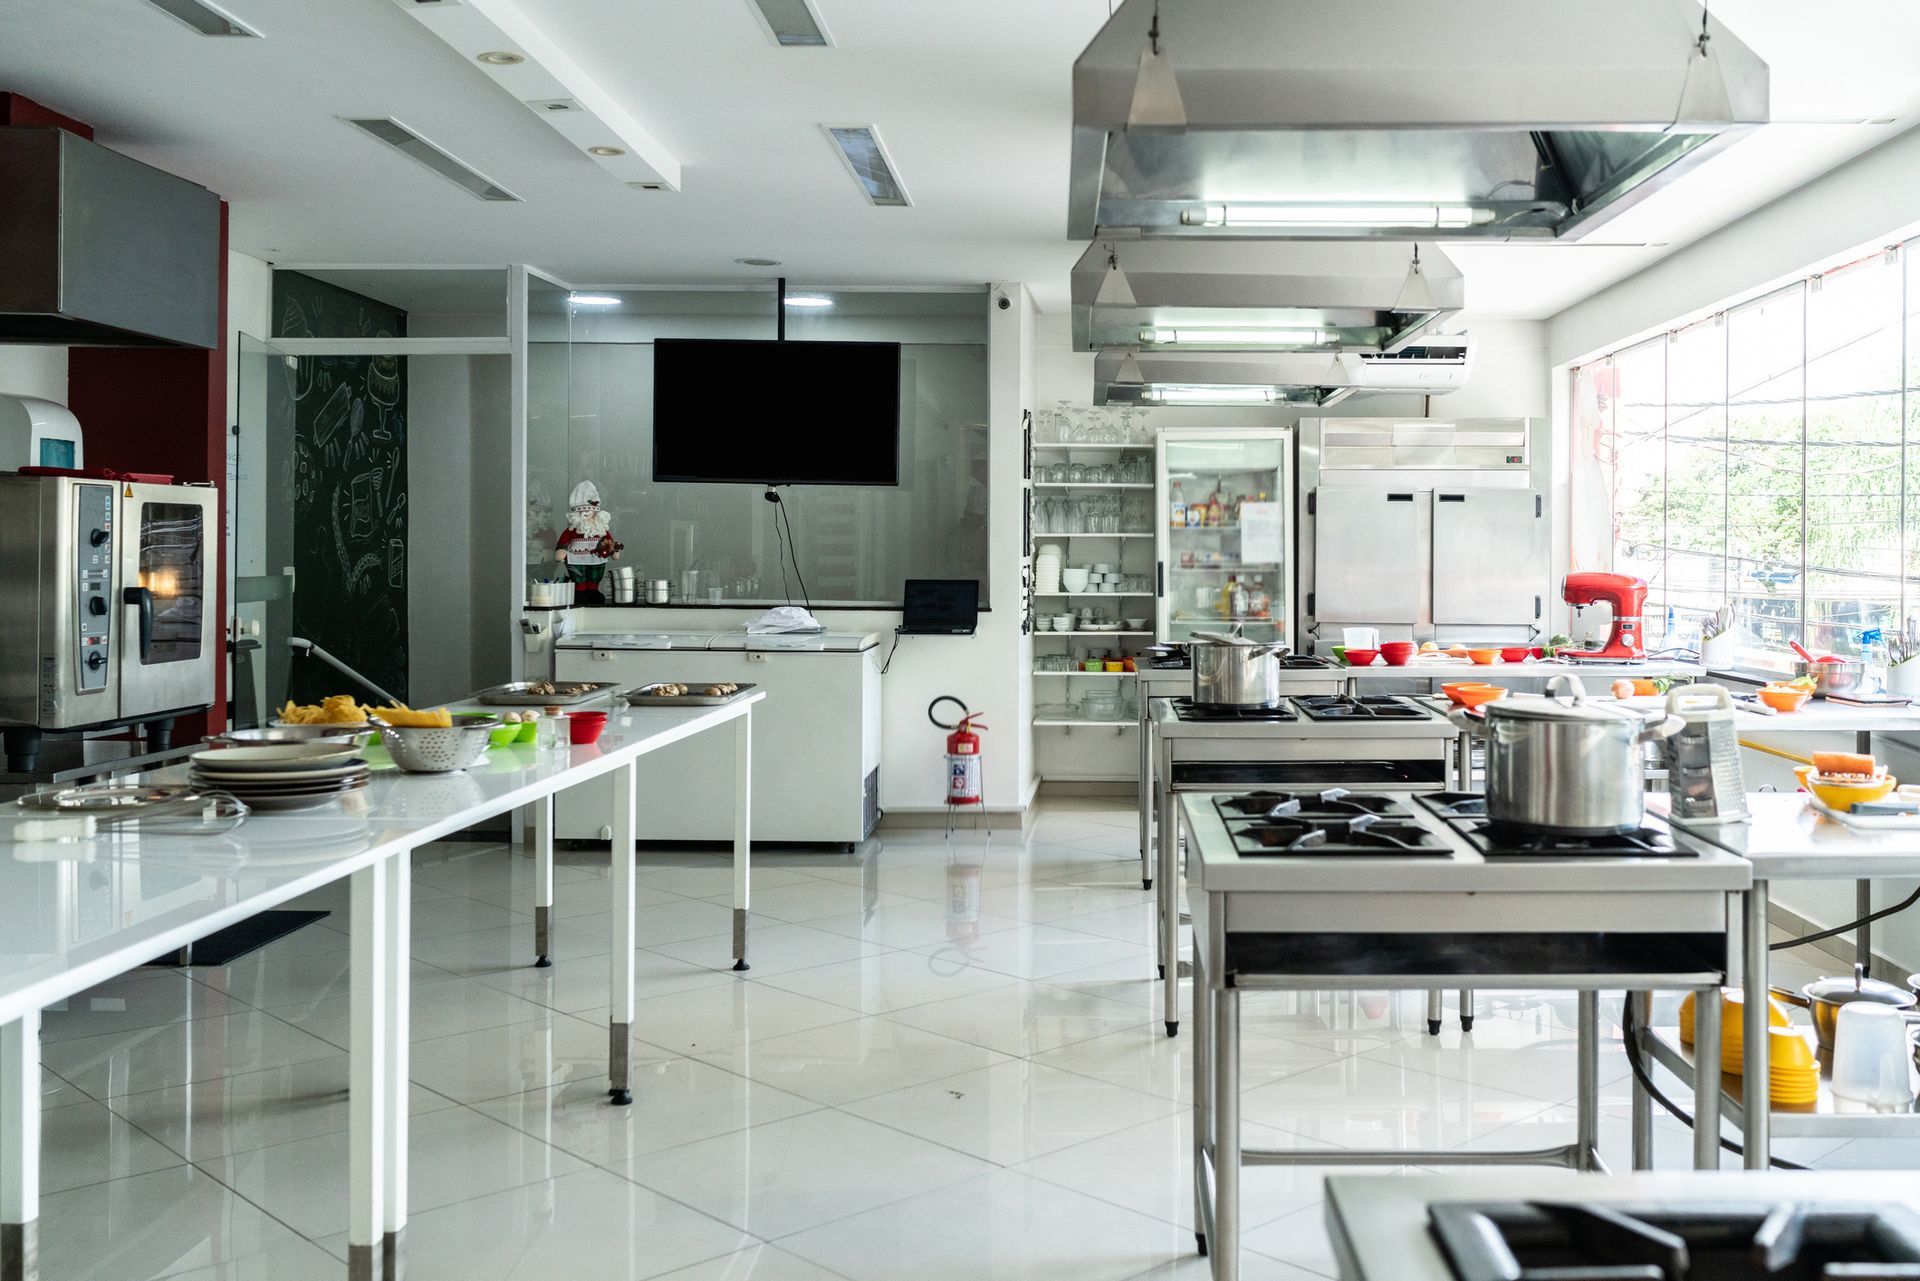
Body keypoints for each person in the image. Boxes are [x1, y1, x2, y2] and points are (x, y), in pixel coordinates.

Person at [553, 480, 623, 604]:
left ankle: (593, 590)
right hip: (576, 560)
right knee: (578, 575)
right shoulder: (571, 531)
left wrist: (614, 550)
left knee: (595, 574)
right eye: (582, 512)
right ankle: (579, 591)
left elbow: (610, 543)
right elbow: (563, 542)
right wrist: (562, 550)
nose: (587, 515)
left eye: (590, 511)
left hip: (597, 559)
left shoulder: (601, 529)